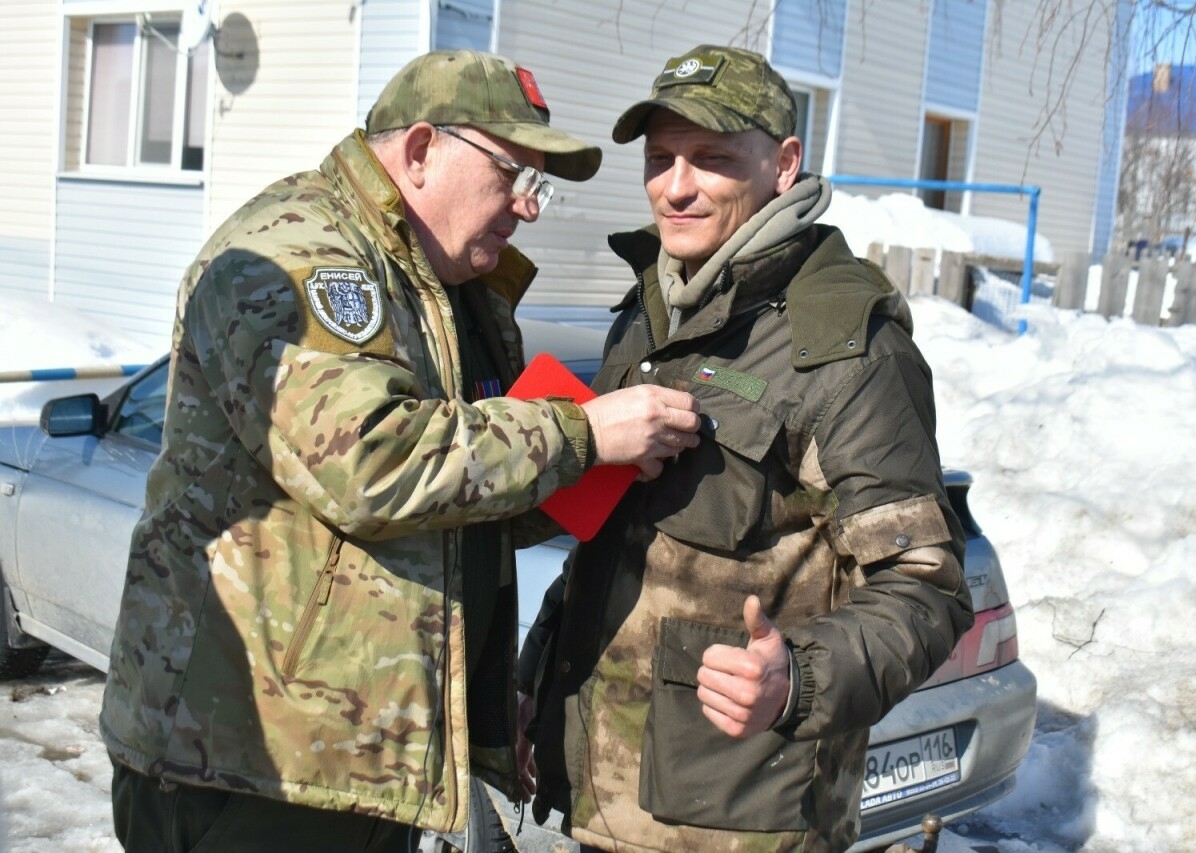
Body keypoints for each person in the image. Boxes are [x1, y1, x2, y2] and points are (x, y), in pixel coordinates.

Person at [99, 49, 701, 853]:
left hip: (358, 768)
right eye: (513, 177)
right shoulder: (296, 250)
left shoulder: (451, 289)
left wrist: (594, 471)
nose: (527, 209)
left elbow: (460, 506)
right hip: (248, 763)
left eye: (538, 188)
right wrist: (584, 434)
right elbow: (370, 467)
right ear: (419, 151)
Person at [517, 45, 974, 852]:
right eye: (660, 159)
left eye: (713, 159)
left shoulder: (844, 348)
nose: (675, 186)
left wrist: (798, 674)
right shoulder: (650, 309)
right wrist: (535, 690)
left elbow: (928, 588)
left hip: (738, 819)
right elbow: (605, 543)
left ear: (784, 164)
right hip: (603, 802)